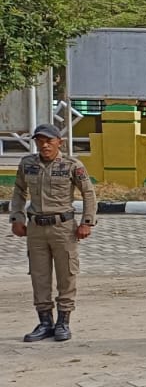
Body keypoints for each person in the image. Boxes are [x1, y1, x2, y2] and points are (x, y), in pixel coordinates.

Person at [10, 124, 96, 343]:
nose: (44, 145)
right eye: (40, 141)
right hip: (36, 228)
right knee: (39, 276)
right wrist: (17, 218)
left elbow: (88, 193)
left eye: (49, 141)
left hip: (63, 228)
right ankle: (45, 321)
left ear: (60, 142)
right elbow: (19, 191)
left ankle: (63, 322)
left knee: (67, 274)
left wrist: (87, 222)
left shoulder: (71, 165)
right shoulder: (28, 164)